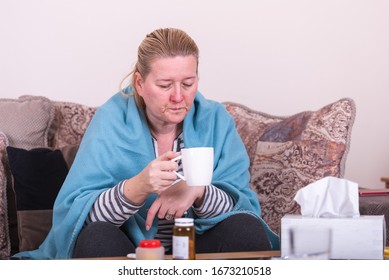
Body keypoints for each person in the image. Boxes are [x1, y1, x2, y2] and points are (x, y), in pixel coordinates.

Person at [13, 28, 279, 259]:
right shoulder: (111, 121)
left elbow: (240, 206)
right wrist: (135, 188)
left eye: (188, 83)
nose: (178, 97)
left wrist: (198, 191)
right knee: (96, 238)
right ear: (140, 83)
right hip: (131, 251)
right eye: (165, 85)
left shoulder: (216, 120)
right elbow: (79, 220)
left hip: (200, 250)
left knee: (246, 229)